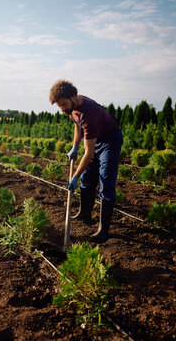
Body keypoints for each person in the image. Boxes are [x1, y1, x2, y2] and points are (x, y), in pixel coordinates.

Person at [49, 79, 123, 243]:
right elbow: (77, 124)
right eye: (59, 106)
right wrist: (75, 146)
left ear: (73, 96)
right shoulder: (72, 108)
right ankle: (84, 213)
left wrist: (75, 176)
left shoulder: (90, 112)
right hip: (95, 140)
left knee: (106, 182)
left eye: (63, 104)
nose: (62, 108)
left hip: (109, 142)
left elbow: (88, 152)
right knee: (87, 178)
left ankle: (103, 230)